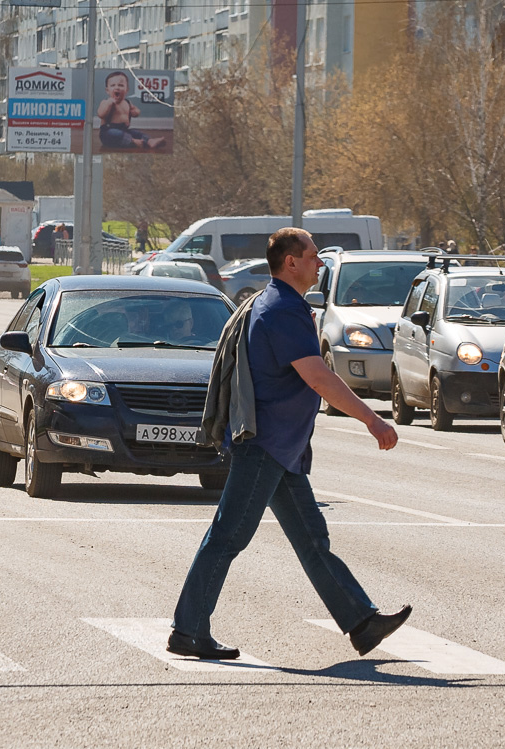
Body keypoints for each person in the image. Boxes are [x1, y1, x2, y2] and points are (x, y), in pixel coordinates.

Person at [171, 228, 411, 660]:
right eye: (314, 256)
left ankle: (361, 622)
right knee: (227, 536)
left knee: (312, 541)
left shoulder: (280, 304)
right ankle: (188, 630)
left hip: (282, 450)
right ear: (291, 262)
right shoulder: (282, 310)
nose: (320, 263)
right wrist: (373, 420)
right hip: (266, 446)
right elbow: (318, 377)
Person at [96, 70, 166, 151]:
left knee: (135, 132)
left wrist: (135, 112)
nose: (117, 87)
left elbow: (136, 111)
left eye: (121, 85)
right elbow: (101, 114)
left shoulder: (127, 102)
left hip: (124, 130)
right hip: (107, 132)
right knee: (114, 133)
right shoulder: (106, 102)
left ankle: (150, 141)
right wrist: (109, 104)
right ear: (107, 90)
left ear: (127, 89)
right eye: (113, 85)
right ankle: (133, 142)